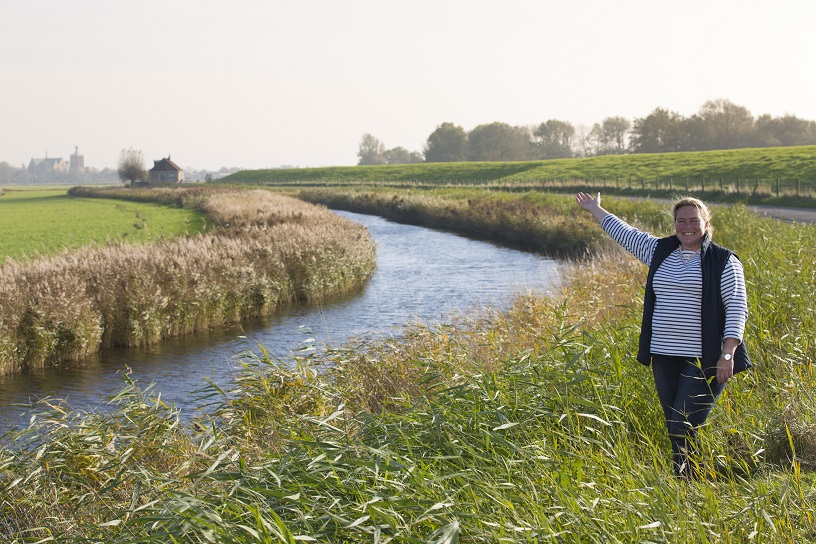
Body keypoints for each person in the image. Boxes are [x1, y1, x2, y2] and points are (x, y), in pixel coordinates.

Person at [575, 192, 750, 478]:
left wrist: (727, 353)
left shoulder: (724, 261)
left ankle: (689, 482)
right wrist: (595, 209)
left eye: (694, 220)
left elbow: (737, 308)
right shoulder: (659, 251)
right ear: (675, 224)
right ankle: (689, 484)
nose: (687, 226)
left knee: (684, 423)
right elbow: (626, 233)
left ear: (706, 223)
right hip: (664, 356)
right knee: (675, 425)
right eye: (681, 221)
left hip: (703, 358)